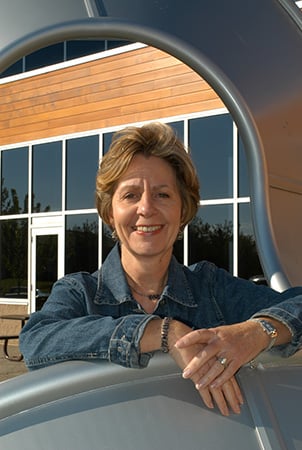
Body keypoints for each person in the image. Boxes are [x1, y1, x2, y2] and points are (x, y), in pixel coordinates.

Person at [20, 122, 302, 417]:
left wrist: (257, 332)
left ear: (183, 210)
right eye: (130, 195)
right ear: (109, 212)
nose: (146, 208)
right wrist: (161, 332)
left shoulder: (212, 288)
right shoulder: (80, 293)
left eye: (163, 194)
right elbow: (35, 341)